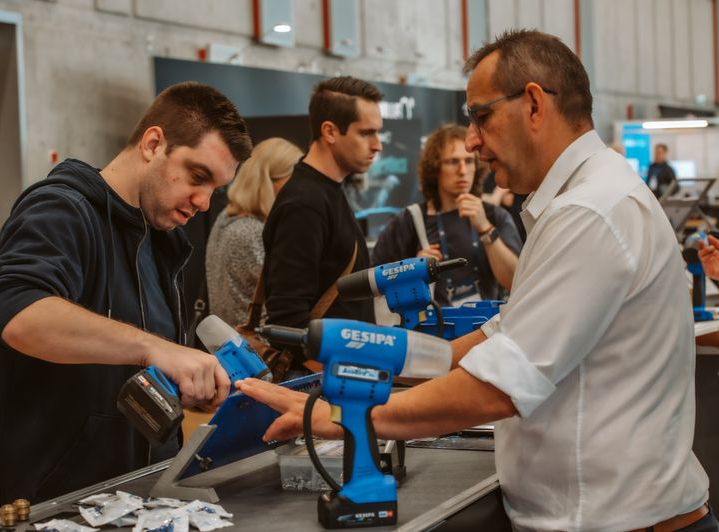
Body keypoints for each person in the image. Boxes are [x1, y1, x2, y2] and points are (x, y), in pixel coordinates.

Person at [238, 30, 715, 531]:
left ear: (533, 104)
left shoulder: (590, 212)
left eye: (481, 116)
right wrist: (379, 372)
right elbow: (500, 338)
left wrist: (346, 415)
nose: (471, 140)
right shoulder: (585, 199)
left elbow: (497, 387)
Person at [0, 82, 252, 527]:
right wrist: (158, 349)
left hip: (131, 502)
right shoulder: (60, 209)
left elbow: (120, 372)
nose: (204, 201)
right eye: (197, 176)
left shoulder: (161, 241)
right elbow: (17, 312)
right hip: (45, 508)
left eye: (215, 188)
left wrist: (185, 385)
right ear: (153, 144)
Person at [261, 76, 382, 372]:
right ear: (329, 131)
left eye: (378, 133)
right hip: (321, 388)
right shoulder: (304, 202)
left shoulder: (328, 190)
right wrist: (344, 375)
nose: (377, 145)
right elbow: (287, 322)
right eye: (366, 133)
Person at [372, 124, 521, 305]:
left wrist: (486, 230)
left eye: (468, 161)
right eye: (452, 162)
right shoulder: (409, 220)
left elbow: (517, 282)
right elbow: (375, 284)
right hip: (430, 329)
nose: (463, 171)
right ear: (435, 169)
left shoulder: (494, 216)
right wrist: (411, 270)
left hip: (486, 328)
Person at [205, 137, 302, 326]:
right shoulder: (251, 233)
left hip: (233, 345)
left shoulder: (227, 217)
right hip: (255, 350)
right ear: (269, 181)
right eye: (293, 181)